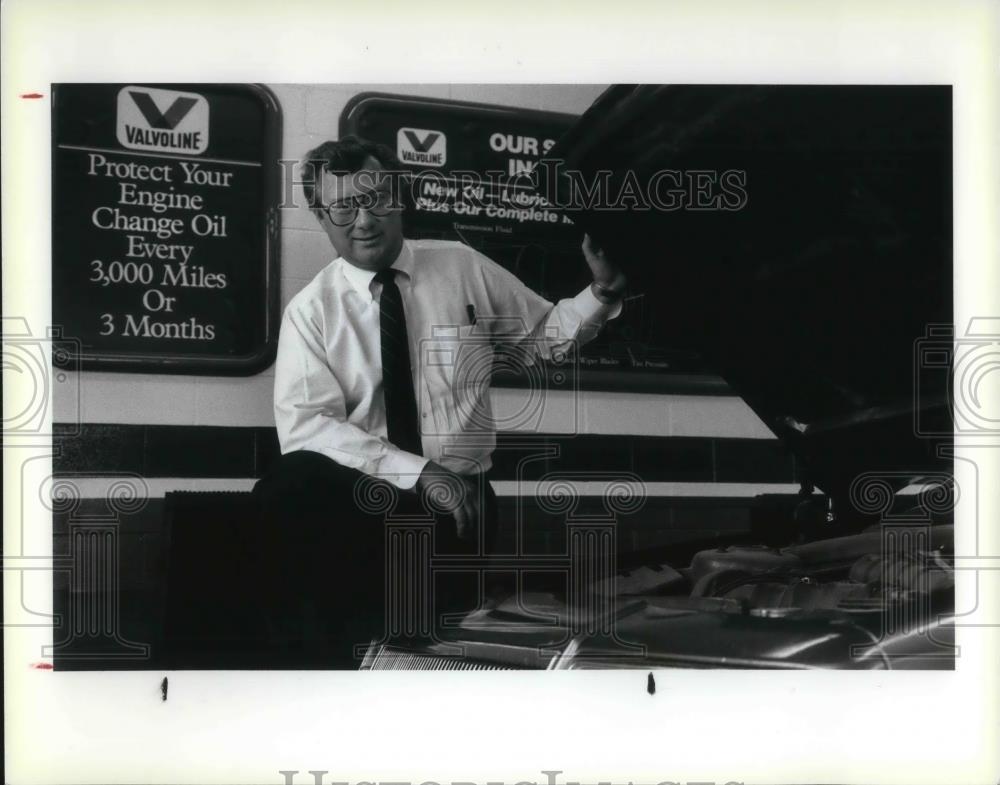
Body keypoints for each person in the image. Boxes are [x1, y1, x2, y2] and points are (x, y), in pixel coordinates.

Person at [251, 135, 626, 666]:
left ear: (398, 197)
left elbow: (545, 336)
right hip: (366, 513)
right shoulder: (311, 312)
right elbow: (307, 430)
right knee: (369, 654)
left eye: (377, 197)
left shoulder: (461, 267)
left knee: (450, 659)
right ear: (321, 217)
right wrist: (421, 473)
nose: (365, 219)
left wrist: (603, 291)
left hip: (464, 511)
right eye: (344, 206)